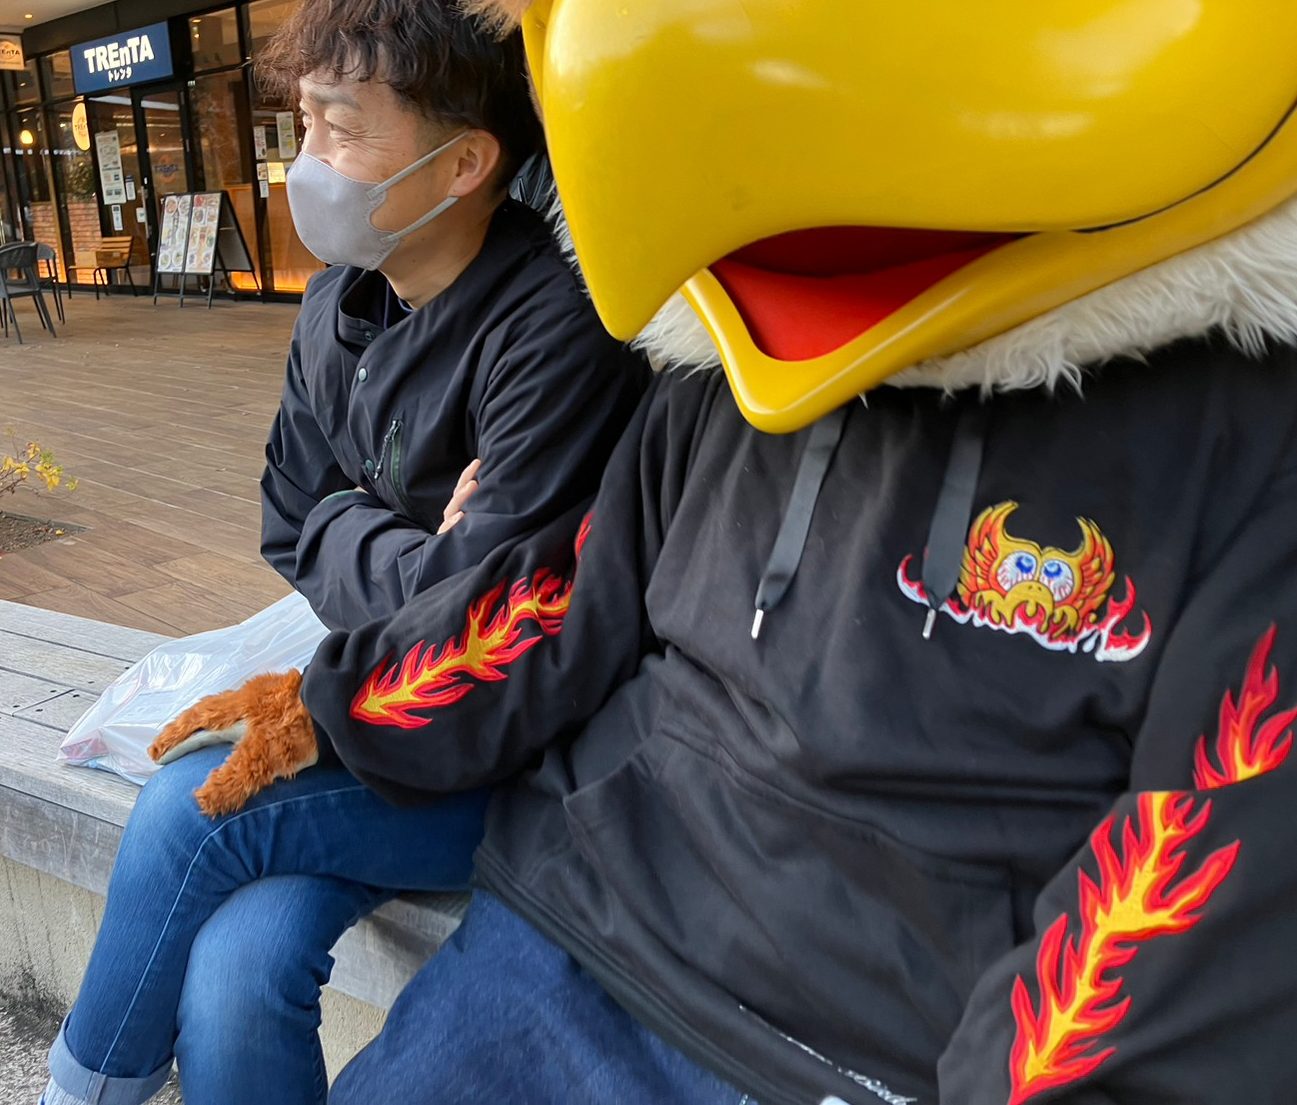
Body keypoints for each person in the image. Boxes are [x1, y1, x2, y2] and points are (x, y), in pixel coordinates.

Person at [152, 1, 1297, 1103]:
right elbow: (565, 604)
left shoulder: (1244, 441)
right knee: (209, 864)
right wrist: (332, 705)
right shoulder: (738, 356)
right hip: (582, 929)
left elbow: (1200, 901)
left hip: (873, 1045)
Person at [38, 3, 646, 1104]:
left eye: (340, 127)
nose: (306, 163)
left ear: (464, 164)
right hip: (377, 709)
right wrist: (416, 551)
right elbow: (287, 515)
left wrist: (358, 525)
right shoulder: (335, 304)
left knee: (184, 810)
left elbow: (483, 617)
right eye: (305, 123)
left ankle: (78, 1089)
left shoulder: (554, 329)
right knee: (238, 964)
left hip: (499, 753)